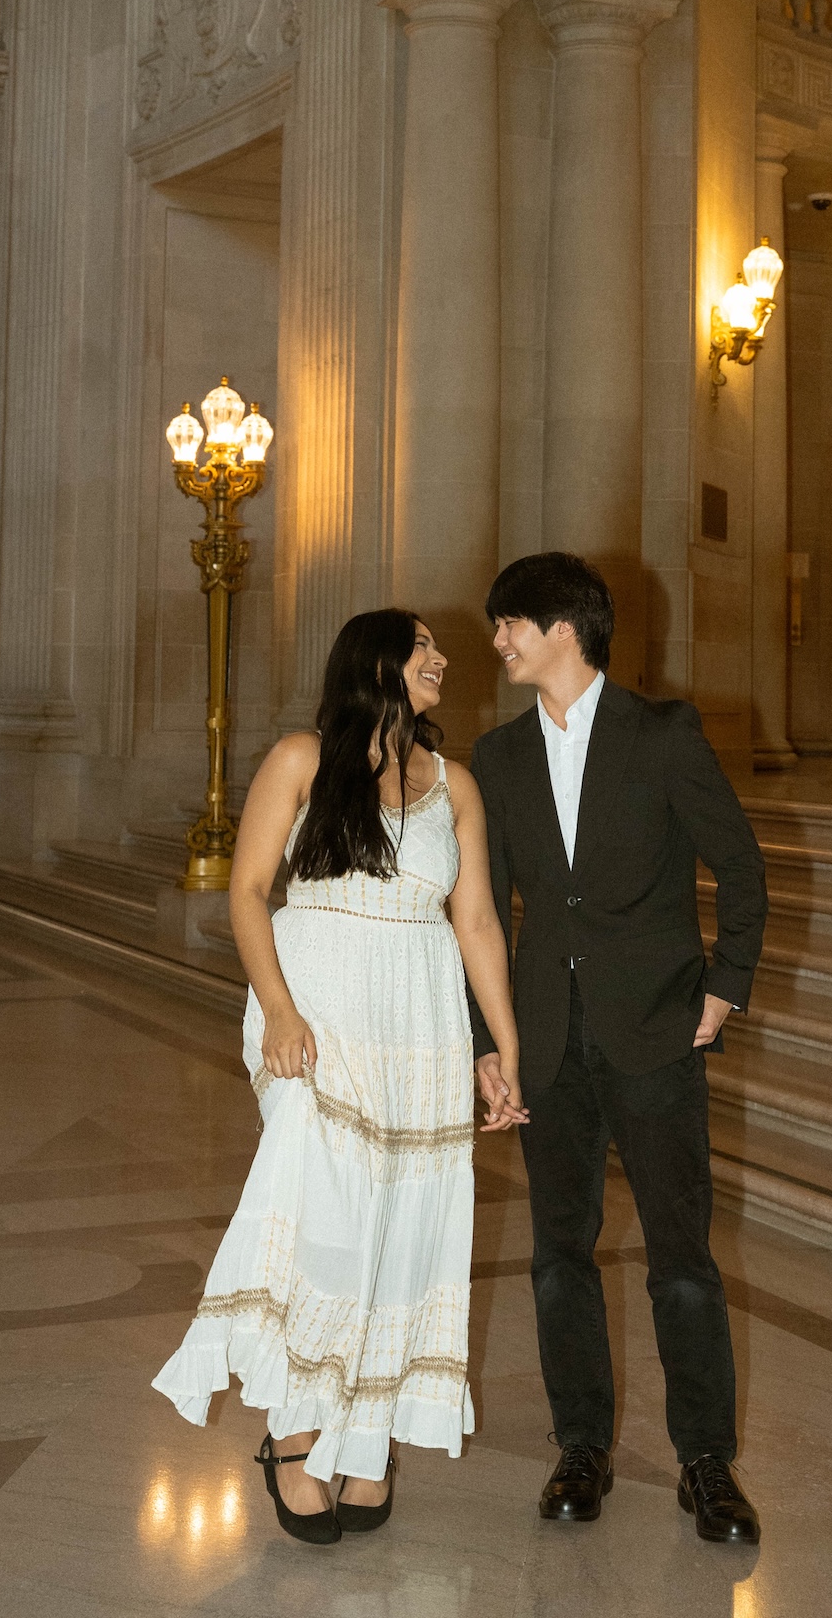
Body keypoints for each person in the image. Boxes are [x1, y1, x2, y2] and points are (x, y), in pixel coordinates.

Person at [154, 610, 526, 1545]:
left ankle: (367, 1436)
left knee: (402, 1223)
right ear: (374, 661)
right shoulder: (300, 759)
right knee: (325, 1217)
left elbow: (477, 921)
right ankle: (293, 1432)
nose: (443, 658)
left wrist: (502, 1045)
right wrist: (277, 1009)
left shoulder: (458, 786)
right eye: (424, 645)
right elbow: (247, 893)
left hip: (421, 1019)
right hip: (315, 1010)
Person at [470, 553, 768, 1545]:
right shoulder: (497, 758)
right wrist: (489, 1043)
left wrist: (723, 989)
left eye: (510, 623)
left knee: (680, 1259)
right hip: (546, 1044)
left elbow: (738, 867)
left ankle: (704, 1465)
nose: (499, 640)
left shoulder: (662, 735)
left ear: (564, 628)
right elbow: (478, 914)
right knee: (558, 1256)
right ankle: (580, 1448)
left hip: (652, 1031)